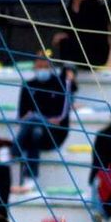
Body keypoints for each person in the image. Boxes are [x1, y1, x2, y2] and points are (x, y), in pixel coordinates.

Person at [12, 55, 73, 190]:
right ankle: (30, 178)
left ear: (51, 68)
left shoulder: (60, 84)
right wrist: (35, 118)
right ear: (34, 67)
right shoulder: (28, 85)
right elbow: (20, 117)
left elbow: (61, 118)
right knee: (35, 130)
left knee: (34, 119)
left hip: (54, 134)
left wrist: (38, 118)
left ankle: (14, 151)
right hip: (34, 132)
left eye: (45, 67)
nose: (42, 69)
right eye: (39, 66)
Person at [50, 0, 111, 69]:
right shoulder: (69, 5)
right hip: (79, 54)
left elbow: (89, 34)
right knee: (64, 43)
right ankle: (69, 72)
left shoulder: (95, 6)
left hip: (95, 54)